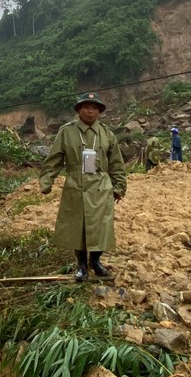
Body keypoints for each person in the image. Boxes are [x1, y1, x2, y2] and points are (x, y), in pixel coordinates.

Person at [39, 92, 127, 281]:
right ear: (79, 110)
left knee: (100, 226)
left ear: (99, 112)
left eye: (94, 108)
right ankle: (81, 265)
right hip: (75, 184)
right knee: (77, 226)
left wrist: (119, 186)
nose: (90, 111)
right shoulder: (67, 131)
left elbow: (116, 163)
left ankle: (96, 261)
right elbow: (54, 159)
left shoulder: (106, 134)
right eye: (86, 107)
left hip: (101, 187)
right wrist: (46, 181)